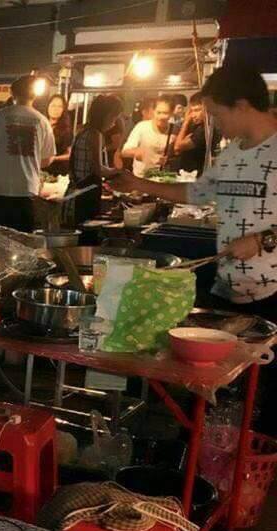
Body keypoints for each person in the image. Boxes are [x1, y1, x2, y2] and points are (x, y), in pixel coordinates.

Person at [111, 61, 277, 436]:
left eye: (217, 114)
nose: (216, 125)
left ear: (241, 105)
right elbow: (197, 192)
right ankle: (211, 455)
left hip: (273, 293)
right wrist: (137, 183)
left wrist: (263, 240)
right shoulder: (233, 152)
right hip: (229, 287)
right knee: (214, 389)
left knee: (266, 400)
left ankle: (254, 468)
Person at [0, 75, 56, 232]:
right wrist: (29, 162)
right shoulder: (42, 121)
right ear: (34, 95)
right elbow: (48, 159)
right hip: (25, 191)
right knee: (22, 245)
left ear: (12, 93)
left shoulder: (0, 116)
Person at [69, 94, 123, 223]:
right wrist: (117, 171)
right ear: (105, 116)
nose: (114, 123)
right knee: (88, 234)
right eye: (114, 118)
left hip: (77, 192)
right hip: (86, 195)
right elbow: (98, 169)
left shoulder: (83, 130)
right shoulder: (95, 134)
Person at [122, 95, 174, 177]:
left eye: (165, 113)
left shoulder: (175, 129)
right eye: (158, 112)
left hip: (163, 179)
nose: (161, 117)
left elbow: (178, 153)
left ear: (171, 113)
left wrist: (169, 159)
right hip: (142, 178)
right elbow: (124, 151)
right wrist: (136, 152)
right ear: (153, 111)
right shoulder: (142, 127)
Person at [172, 92, 220, 175]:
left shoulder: (205, 129)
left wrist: (186, 122)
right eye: (191, 111)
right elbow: (176, 151)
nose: (193, 115)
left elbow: (177, 147)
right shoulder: (197, 126)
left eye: (197, 110)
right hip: (189, 174)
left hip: (196, 176)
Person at [44, 94, 73, 177]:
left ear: (63, 110)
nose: (55, 109)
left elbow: (70, 154)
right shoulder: (41, 125)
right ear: (48, 106)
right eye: (53, 105)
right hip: (40, 169)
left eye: (59, 106)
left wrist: (53, 158)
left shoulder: (66, 130)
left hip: (57, 172)